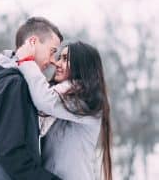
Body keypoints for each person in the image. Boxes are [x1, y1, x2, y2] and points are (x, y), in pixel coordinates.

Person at [0, 17, 64, 180]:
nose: (52, 61)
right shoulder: (13, 83)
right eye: (52, 51)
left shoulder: (2, 79)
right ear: (33, 42)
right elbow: (11, 152)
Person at [10, 40, 112, 180]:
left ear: (82, 66)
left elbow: (45, 100)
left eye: (65, 59)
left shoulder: (87, 101)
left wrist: (27, 61)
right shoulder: (60, 98)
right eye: (59, 58)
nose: (57, 63)